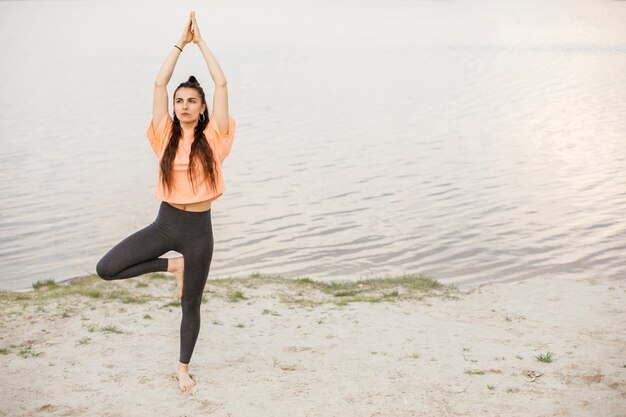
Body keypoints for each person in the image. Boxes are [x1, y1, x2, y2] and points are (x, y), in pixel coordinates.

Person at [95, 10, 236, 393]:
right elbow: (158, 83)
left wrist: (201, 43)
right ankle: (171, 266)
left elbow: (221, 83)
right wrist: (180, 42)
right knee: (106, 269)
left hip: (198, 233)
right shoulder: (162, 134)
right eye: (180, 101)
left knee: (191, 306)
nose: (184, 105)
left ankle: (183, 368)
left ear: (202, 108)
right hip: (165, 223)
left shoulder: (216, 136)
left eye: (192, 100)